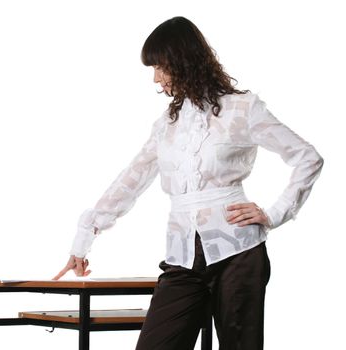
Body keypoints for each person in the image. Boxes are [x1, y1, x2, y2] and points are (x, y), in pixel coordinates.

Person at [53, 16, 324, 350]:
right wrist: (84, 238)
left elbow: (307, 158)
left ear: (184, 62)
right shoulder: (168, 123)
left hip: (238, 252)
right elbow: (131, 180)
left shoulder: (242, 109)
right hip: (182, 256)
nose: (156, 78)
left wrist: (275, 212)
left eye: (161, 67)